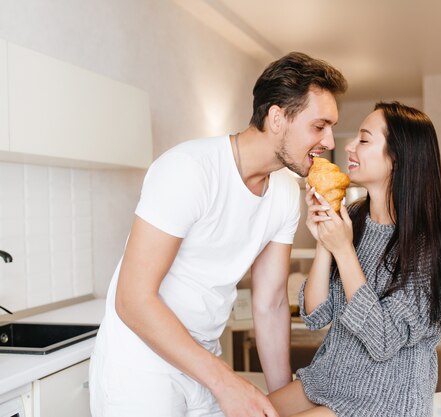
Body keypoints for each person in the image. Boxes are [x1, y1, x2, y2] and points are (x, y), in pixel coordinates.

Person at [89, 52, 347, 417]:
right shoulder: (189, 170)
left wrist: (278, 402)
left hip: (204, 360)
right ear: (277, 118)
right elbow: (132, 300)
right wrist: (226, 382)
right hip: (141, 363)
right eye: (319, 126)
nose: (329, 141)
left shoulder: (286, 193)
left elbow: (271, 302)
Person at [268, 102, 441, 417]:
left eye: (364, 140)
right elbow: (316, 315)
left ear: (397, 158)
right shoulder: (354, 218)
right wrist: (324, 242)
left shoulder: (425, 248)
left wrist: (343, 250)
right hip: (329, 379)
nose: (348, 146)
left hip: (385, 401)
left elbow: (382, 339)